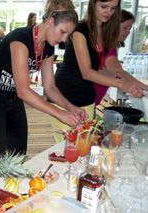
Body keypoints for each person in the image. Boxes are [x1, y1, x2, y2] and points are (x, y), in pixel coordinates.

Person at [0, 0, 87, 162]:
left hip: (13, 99)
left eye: (67, 35)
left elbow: (49, 87)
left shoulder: (48, 47)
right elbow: (24, 90)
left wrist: (70, 107)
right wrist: (60, 114)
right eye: (62, 32)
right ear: (50, 22)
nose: (63, 39)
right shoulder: (20, 40)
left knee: (19, 155)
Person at [50, 0, 146, 143]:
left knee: (86, 146)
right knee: (69, 148)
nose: (108, 12)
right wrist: (122, 84)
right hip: (65, 97)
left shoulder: (104, 32)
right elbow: (86, 72)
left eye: (113, 8)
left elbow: (99, 67)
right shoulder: (79, 30)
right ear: (92, 4)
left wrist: (116, 77)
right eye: (104, 7)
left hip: (87, 99)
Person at [94, 9, 148, 106]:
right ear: (113, 25)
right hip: (79, 101)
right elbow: (117, 71)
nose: (128, 32)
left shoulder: (108, 43)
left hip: (88, 101)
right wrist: (144, 86)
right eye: (125, 28)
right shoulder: (106, 44)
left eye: (130, 28)